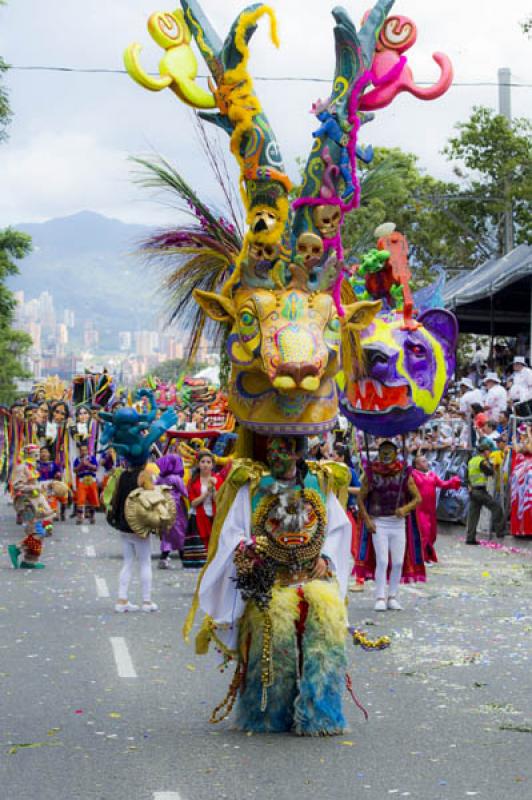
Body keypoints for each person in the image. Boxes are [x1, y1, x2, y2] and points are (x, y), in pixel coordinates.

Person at [192, 435, 352, 735]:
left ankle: (321, 714)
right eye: (274, 454)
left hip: (311, 577)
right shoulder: (252, 486)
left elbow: (339, 527)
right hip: (273, 582)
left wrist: (328, 558)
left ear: (297, 454)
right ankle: (267, 713)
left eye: (286, 453)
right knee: (272, 636)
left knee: (325, 638)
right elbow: (234, 532)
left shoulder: (319, 482)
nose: (279, 460)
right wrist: (248, 550)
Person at [357, 440, 424, 611]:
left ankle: (392, 596)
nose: (386, 454)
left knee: (398, 563)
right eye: (383, 451)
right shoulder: (371, 473)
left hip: (398, 524)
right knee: (382, 560)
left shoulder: (404, 473)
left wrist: (405, 508)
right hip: (379, 522)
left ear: (396, 453)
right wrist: (368, 521)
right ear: (378, 453)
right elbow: (360, 498)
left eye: (389, 451)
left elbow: (417, 498)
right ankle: (380, 597)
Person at [412, 454, 461, 562]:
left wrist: (454, 481)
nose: (427, 463)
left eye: (426, 461)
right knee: (424, 533)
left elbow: (443, 484)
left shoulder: (432, 475)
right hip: (420, 510)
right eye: (423, 461)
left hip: (431, 510)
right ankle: (422, 558)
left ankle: (427, 555)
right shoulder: (413, 475)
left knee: (432, 534)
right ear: (417, 465)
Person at [182, 450, 223, 569]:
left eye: (208, 462)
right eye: (203, 461)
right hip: (197, 518)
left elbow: (220, 501)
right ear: (198, 464)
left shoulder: (218, 480)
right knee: (200, 557)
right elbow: (193, 503)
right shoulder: (193, 481)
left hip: (214, 518)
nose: (205, 464)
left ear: (212, 465)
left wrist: (214, 489)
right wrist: (206, 494)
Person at [465, 438, 505, 544]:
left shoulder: (471, 461)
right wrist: (491, 465)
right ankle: (500, 532)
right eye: (489, 451)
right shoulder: (482, 461)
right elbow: (490, 472)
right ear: (485, 452)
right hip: (480, 491)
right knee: (496, 507)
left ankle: (470, 538)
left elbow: (466, 477)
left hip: (472, 491)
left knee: (473, 515)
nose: (490, 453)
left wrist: (469, 487)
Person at [155, 453, 188, 568]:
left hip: (163, 508)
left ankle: (163, 558)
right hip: (176, 509)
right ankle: (184, 560)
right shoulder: (176, 478)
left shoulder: (160, 478)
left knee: (166, 533)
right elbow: (185, 493)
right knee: (180, 532)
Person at [73, 442, 99, 524]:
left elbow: (96, 468)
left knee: (93, 499)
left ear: (88, 451)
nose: (83, 452)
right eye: (82, 450)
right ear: (79, 451)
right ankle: (80, 517)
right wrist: (81, 464)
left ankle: (92, 516)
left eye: (85, 450)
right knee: (81, 499)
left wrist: (88, 464)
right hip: (82, 481)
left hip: (92, 481)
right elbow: (75, 471)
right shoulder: (77, 460)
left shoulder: (92, 458)